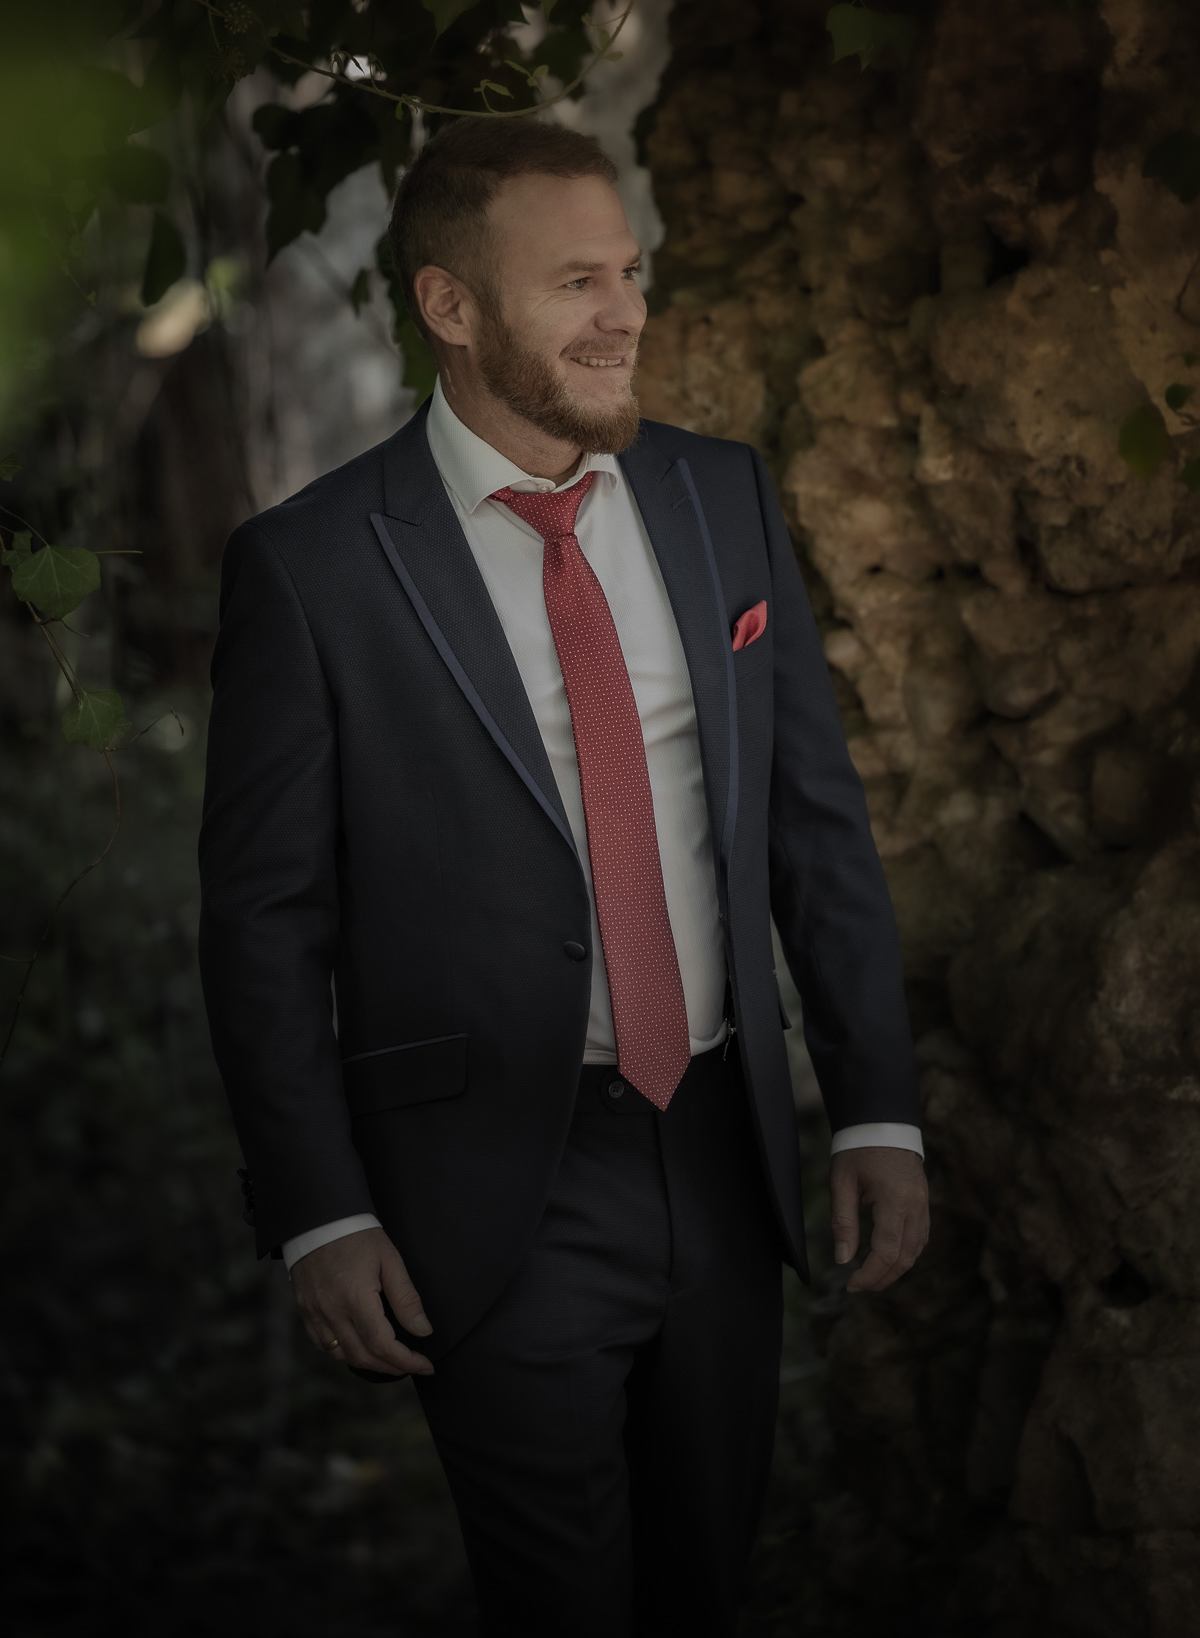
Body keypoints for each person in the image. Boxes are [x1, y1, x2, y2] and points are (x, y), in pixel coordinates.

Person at [198, 117, 929, 1637]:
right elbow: (265, 923)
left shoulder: (723, 498)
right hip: (489, 1191)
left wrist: (876, 1105)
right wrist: (322, 1213)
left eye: (631, 273)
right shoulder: (314, 568)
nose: (626, 315)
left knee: (705, 1588)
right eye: (577, 281)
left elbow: (813, 823)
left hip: (724, 1150)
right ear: (451, 306)